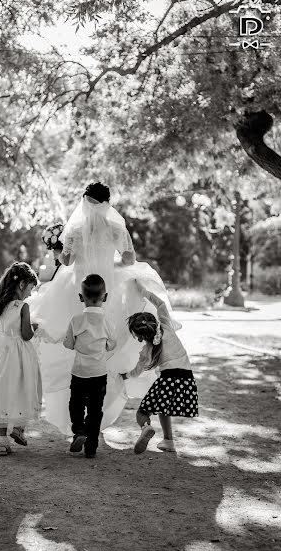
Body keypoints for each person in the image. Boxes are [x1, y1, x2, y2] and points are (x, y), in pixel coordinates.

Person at [30, 182, 179, 436]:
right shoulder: (115, 226)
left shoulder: (75, 227)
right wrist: (111, 265)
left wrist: (64, 246)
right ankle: (99, 413)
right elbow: (130, 258)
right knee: (109, 345)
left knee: (71, 348)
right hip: (107, 289)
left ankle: (76, 417)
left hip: (77, 289)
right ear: (107, 202)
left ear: (85, 201)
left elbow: (65, 260)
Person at [122, 281, 198, 454]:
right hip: (186, 378)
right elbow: (161, 304)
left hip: (167, 380)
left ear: (140, 337)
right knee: (164, 408)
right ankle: (168, 441)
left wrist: (123, 376)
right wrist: (144, 292)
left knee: (142, 413)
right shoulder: (166, 325)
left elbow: (137, 371)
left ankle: (145, 428)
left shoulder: (147, 349)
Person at [0, 262, 42, 456]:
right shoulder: (22, 307)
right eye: (30, 288)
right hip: (18, 354)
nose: (30, 294)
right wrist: (34, 327)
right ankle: (19, 429)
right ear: (22, 284)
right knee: (23, 387)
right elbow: (26, 335)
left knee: (1, 392)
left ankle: (2, 442)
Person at [63, 274, 116, 458]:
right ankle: (91, 446)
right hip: (99, 373)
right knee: (95, 409)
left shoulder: (76, 320)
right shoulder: (107, 322)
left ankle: (79, 431)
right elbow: (112, 344)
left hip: (79, 372)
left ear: (80, 297)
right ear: (106, 297)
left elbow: (68, 344)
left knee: (76, 405)